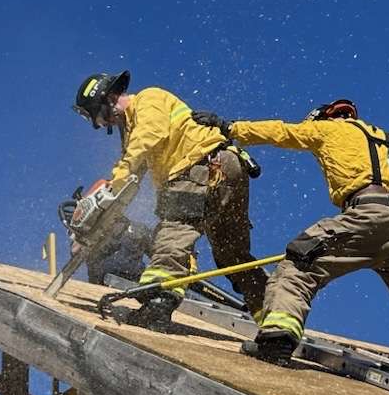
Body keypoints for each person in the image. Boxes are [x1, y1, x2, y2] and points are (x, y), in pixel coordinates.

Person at [191, 99, 389, 395]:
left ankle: (277, 339)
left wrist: (229, 127)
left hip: (364, 214)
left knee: (298, 267)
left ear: (324, 117)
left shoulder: (328, 130)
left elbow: (280, 132)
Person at [72, 70, 267, 329]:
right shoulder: (132, 131)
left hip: (200, 167)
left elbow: (141, 148)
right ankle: (274, 317)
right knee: (231, 254)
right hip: (224, 169)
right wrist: (100, 222)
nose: (101, 124)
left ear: (107, 99)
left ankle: (158, 302)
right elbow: (131, 182)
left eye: (97, 116)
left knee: (173, 231)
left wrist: (108, 191)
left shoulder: (148, 99)